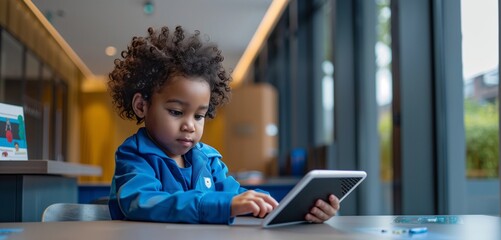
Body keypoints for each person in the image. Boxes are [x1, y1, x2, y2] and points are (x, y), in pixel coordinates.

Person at [107, 26, 340, 224]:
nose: (189, 125)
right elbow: (143, 203)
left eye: (199, 116)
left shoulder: (208, 159)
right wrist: (223, 205)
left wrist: (293, 208)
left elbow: (234, 195)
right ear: (141, 106)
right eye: (176, 112)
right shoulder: (134, 155)